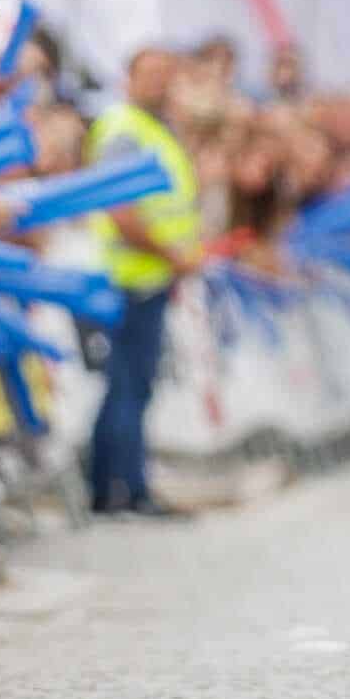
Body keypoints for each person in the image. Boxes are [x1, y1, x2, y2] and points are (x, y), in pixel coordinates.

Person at [84, 45, 205, 518]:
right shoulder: (124, 131)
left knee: (127, 386)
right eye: (150, 74)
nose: (160, 84)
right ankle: (126, 490)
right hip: (130, 277)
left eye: (166, 76)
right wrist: (171, 255)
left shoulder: (153, 128)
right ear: (127, 77)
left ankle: (110, 487)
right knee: (130, 387)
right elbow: (122, 212)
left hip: (148, 276)